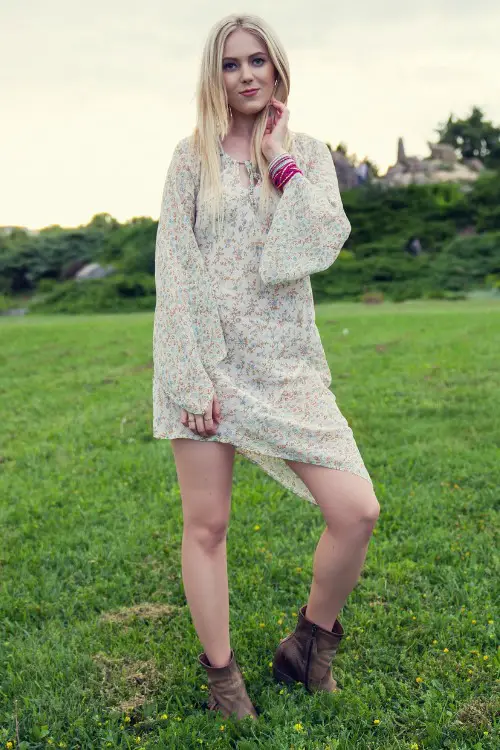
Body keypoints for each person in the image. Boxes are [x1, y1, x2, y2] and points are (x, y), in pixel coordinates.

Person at [152, 13, 380, 722]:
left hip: (286, 365)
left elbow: (316, 241)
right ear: (214, 76)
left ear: (278, 71)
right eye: (231, 64)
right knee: (208, 525)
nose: (247, 74)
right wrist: (190, 377)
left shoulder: (306, 154)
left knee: (357, 510)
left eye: (259, 61)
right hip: (207, 364)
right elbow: (177, 270)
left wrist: (279, 159)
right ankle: (224, 680)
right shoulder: (192, 159)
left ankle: (309, 646)